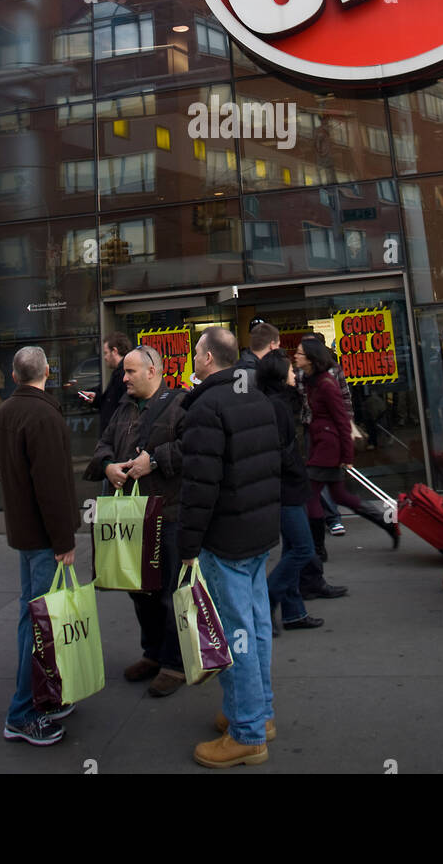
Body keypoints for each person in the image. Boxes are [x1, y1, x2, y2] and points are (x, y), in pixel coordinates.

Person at [178, 326, 281, 768]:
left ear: (207, 359)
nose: (194, 360)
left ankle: (247, 733)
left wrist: (187, 545)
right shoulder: (255, 397)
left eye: (196, 354)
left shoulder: (207, 406)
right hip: (258, 535)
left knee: (236, 634)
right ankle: (260, 714)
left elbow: (201, 485)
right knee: (255, 628)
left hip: (226, 540)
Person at [83, 343, 187, 698]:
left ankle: (175, 663)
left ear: (152, 371)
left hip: (170, 514)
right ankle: (153, 653)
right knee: (140, 589)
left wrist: (154, 460)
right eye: (124, 371)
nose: (123, 378)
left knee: (170, 594)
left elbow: (196, 447)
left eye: (130, 372)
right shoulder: (123, 408)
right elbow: (102, 448)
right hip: (132, 518)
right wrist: (109, 465)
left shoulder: (180, 403)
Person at [0, 345, 80, 747]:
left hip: (23, 532)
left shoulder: (2, 413)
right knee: (41, 623)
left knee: (31, 617)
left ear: (14, 376)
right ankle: (23, 713)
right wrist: (64, 539)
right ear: (48, 371)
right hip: (44, 537)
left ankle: (42, 697)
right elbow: (53, 486)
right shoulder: (44, 414)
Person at [295, 335, 399, 549]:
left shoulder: (326, 384)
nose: (295, 357)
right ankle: (386, 523)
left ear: (311, 358)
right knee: (340, 495)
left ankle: (317, 548)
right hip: (323, 444)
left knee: (311, 494)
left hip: (327, 447)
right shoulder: (310, 380)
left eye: (299, 353)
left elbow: (343, 420)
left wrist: (347, 455)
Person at [256, 350, 323, 633]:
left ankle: (294, 612)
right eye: (290, 371)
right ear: (280, 376)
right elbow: (281, 449)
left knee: (294, 548)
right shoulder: (278, 405)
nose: (294, 374)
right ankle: (267, 598)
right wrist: (297, 468)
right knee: (304, 548)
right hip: (287, 487)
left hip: (285, 485)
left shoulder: (274, 402)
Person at [86, 333, 130, 432]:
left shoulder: (123, 374)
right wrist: (96, 398)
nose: (105, 357)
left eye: (106, 353)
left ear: (114, 351)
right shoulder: (118, 373)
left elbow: (117, 405)